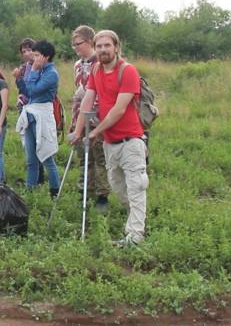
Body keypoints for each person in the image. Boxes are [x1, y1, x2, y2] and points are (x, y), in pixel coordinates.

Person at [71, 30, 149, 247]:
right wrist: (78, 131)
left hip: (131, 141)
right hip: (110, 143)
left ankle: (134, 237)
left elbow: (119, 109)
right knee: (118, 188)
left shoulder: (128, 71)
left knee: (136, 188)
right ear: (95, 49)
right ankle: (139, 221)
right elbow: (87, 100)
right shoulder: (96, 70)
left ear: (116, 47)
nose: (103, 50)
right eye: (99, 46)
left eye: (107, 45)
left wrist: (94, 132)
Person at [69, 25, 110, 212]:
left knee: (99, 157)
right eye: (74, 45)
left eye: (78, 44)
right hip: (80, 117)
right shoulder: (78, 65)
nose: (76, 48)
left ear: (88, 42)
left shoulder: (99, 63)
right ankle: (85, 190)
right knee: (84, 158)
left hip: (98, 118)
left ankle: (103, 195)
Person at [15, 40, 60, 196]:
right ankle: (30, 191)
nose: (33, 58)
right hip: (30, 116)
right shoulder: (39, 70)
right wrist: (19, 79)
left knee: (47, 156)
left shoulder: (51, 74)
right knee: (31, 159)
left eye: (36, 55)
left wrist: (33, 70)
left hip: (42, 116)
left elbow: (33, 91)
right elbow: (27, 90)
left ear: (46, 57)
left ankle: (55, 192)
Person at [14, 37, 46, 185]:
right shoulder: (23, 67)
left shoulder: (41, 67)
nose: (26, 53)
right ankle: (34, 176)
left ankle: (40, 177)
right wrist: (18, 80)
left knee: (38, 141)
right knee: (26, 143)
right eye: (24, 51)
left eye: (29, 50)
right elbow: (22, 88)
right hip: (24, 107)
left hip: (37, 108)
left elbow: (35, 89)